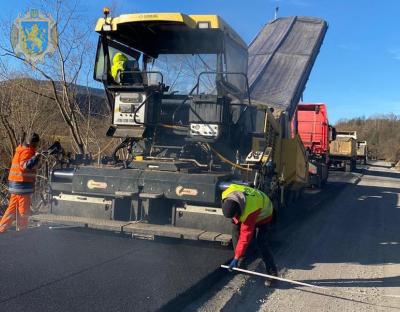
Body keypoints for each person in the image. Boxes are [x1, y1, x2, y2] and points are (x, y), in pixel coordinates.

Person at [221, 183, 278, 285]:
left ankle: (272, 273)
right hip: (248, 206)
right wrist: (238, 257)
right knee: (235, 230)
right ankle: (241, 262)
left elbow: (245, 237)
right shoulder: (226, 194)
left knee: (261, 242)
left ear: (239, 209)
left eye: (235, 215)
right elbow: (236, 220)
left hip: (264, 214)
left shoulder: (250, 209)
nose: (234, 218)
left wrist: (236, 257)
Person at [0, 133, 40, 233]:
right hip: (22, 186)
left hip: (15, 186)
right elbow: (25, 166)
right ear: (31, 143)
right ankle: (22, 232)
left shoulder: (21, 149)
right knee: (23, 211)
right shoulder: (27, 152)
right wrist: (35, 158)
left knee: (11, 209)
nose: (36, 146)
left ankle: (1, 229)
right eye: (35, 143)